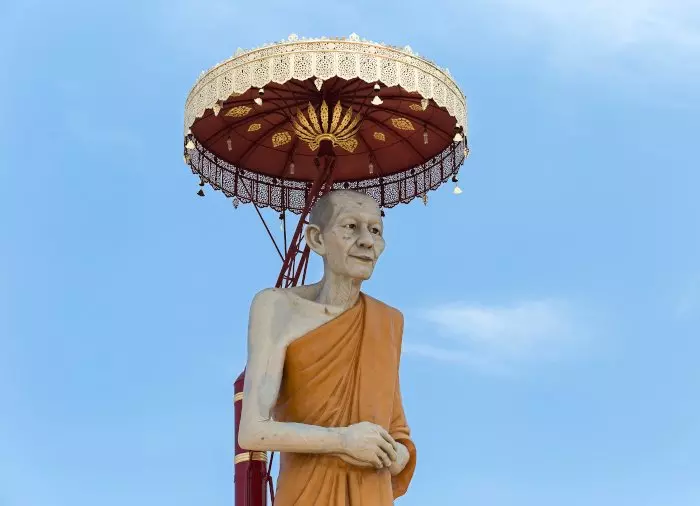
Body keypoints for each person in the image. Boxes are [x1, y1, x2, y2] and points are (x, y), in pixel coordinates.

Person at [238, 189, 416, 505]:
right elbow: (253, 430)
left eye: (375, 230)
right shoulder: (277, 307)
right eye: (351, 227)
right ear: (316, 239)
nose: (367, 241)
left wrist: (397, 453)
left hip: (370, 492)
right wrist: (342, 441)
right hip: (305, 491)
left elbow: (397, 429)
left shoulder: (388, 320)